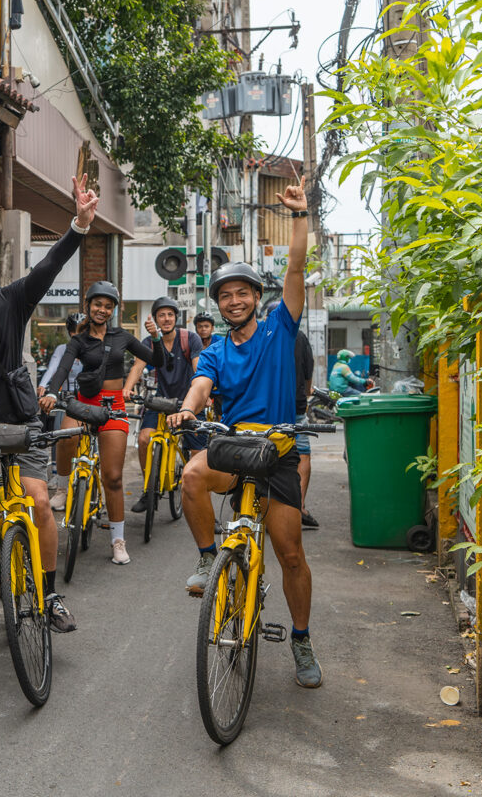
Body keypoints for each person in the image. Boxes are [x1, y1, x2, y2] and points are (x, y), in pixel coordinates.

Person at [166, 177, 324, 689]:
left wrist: (300, 215)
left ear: (257, 296)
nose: (234, 301)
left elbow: (296, 268)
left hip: (278, 451)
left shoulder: (280, 328)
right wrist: (187, 411)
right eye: (226, 296)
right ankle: (210, 559)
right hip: (234, 448)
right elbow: (200, 385)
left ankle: (301, 638)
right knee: (190, 475)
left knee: (290, 552)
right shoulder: (215, 350)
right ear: (218, 304)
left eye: (242, 293)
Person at [0, 173, 99, 657]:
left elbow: (50, 265)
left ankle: (48, 595)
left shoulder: (13, 300)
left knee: (39, 501)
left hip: (20, 420)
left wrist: (80, 224)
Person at [40, 281, 167, 565]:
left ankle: (117, 541)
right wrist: (51, 392)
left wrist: (155, 337)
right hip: (84, 403)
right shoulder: (78, 340)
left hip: (114, 407)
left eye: (108, 306)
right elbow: (62, 369)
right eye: (98, 304)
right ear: (88, 306)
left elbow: (158, 360)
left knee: (113, 477)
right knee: (64, 433)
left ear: (113, 310)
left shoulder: (122, 337)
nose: (102, 309)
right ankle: (62, 488)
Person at [124, 296, 202, 513]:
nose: (166, 319)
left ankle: (199, 498)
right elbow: (138, 367)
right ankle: (149, 489)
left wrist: (203, 395)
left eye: (170, 314)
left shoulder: (190, 339)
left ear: (176, 317)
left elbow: (199, 369)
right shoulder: (148, 343)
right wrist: (127, 389)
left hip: (187, 402)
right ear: (156, 319)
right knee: (144, 439)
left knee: (197, 452)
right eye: (162, 315)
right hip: (157, 401)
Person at [265, 299, 320, 530]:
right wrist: (307, 390)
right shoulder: (300, 337)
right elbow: (309, 369)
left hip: (268, 409)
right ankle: (299, 505)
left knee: (266, 455)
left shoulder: (261, 338)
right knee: (302, 455)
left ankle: (265, 505)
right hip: (296, 407)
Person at [39, 312, 86, 511]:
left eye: (81, 331)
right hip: (65, 395)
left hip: (86, 396)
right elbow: (54, 369)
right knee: (59, 433)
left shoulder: (92, 346)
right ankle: (59, 475)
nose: (77, 336)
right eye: (73, 332)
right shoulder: (63, 348)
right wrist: (44, 386)